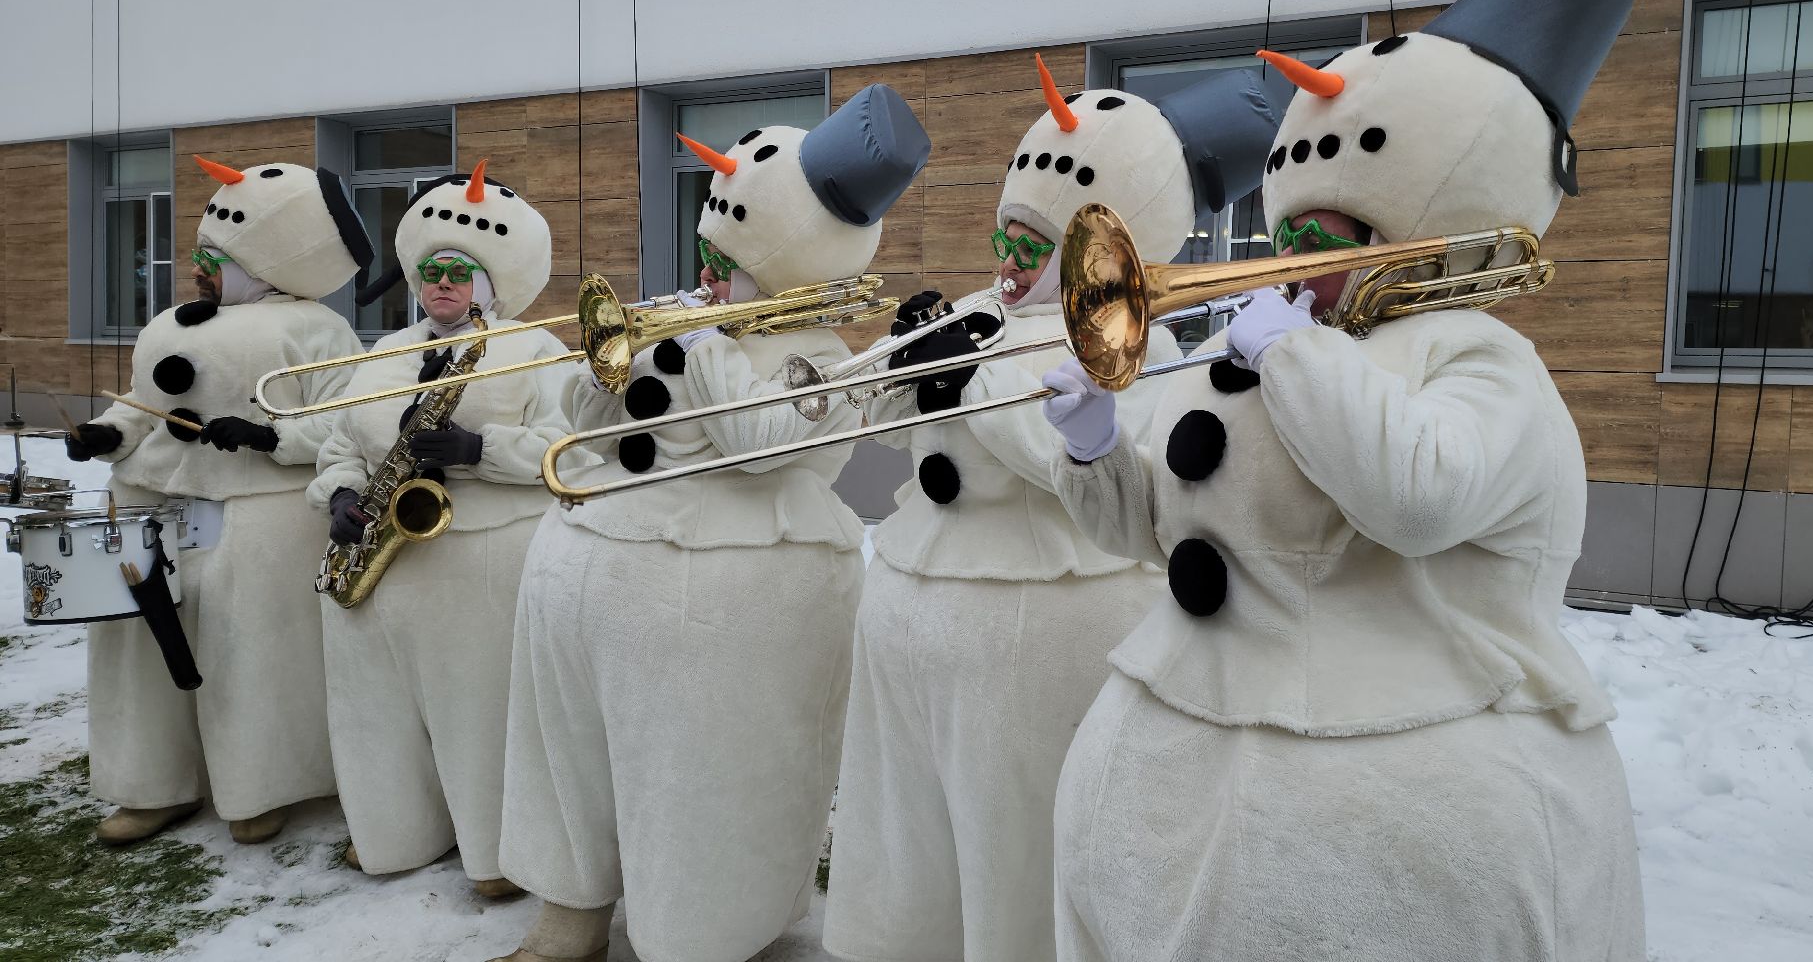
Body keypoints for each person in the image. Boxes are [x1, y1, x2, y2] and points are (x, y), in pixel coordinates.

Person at [1039, 0, 1647, 961]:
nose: (1299, 261)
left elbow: (1415, 497)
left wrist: (1295, 360)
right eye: (1296, 234)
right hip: (1177, 753)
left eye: (1331, 240)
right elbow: (1163, 533)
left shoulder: (1479, 360)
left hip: (1396, 793)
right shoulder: (1277, 346)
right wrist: (1093, 446)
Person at [823, 57, 1279, 962]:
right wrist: (905, 361)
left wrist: (971, 375)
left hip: (1032, 627)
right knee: (906, 839)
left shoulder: (1130, 344)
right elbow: (858, 421)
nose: (1008, 264)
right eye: (1008, 239)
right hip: (912, 609)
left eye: (1035, 249)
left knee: (1011, 847)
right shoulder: (974, 314)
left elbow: (1076, 459)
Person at [491, 84, 929, 962]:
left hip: (725, 586)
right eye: (706, 248)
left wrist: (711, 345)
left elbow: (760, 446)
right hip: (590, 561)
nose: (706, 270)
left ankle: (697, 931)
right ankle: (569, 905)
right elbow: (584, 420)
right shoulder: (679, 321)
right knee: (567, 756)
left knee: (695, 779)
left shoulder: (827, 356)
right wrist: (609, 366)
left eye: (725, 257)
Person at [69, 157, 368, 845]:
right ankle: (152, 784)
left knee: (253, 655)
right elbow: (142, 410)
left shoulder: (316, 329)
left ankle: (262, 784)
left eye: (214, 256)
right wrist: (105, 435)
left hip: (255, 510)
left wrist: (270, 436)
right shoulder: (167, 325)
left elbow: (348, 420)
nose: (198, 267)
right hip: (153, 508)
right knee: (137, 655)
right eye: (200, 253)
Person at [306, 161, 578, 900]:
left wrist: (478, 450)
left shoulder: (536, 347)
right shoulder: (384, 353)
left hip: (482, 568)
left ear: (489, 282)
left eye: (459, 271)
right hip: (379, 567)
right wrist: (336, 496)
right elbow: (338, 446)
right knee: (377, 716)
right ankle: (396, 830)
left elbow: (572, 447)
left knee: (480, 715)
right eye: (431, 270)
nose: (443, 283)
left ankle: (497, 855)